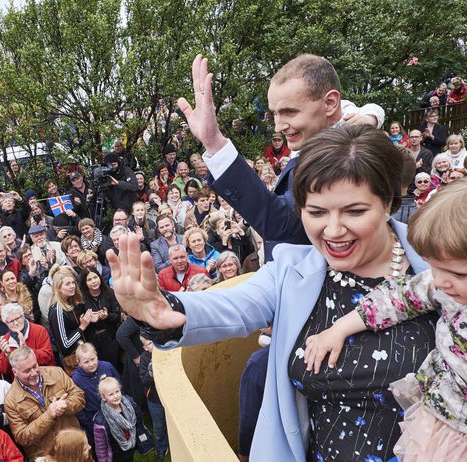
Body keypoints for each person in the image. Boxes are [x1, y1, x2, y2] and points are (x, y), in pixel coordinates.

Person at [108, 125, 437, 461]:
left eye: (354, 211)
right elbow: (232, 305)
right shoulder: (291, 270)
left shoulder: (441, 265)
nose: (334, 230)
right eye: (317, 212)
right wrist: (165, 312)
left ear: (389, 203)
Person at [302, 179, 467, 460]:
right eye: (433, 266)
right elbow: (399, 297)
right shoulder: (442, 282)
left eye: (458, 274)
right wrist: (340, 328)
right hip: (440, 422)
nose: (439, 281)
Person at [176, 54, 384, 262]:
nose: (278, 126)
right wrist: (372, 114)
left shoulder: (343, 157)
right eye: (275, 113)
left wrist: (214, 142)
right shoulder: (323, 131)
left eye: (289, 112)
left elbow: (279, 222)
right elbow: (342, 110)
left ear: (329, 103)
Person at [3, 347, 85, 458]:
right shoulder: (11, 400)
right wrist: (49, 415)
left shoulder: (57, 372)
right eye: (27, 371)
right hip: (47, 456)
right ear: (14, 372)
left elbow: (80, 397)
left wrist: (66, 405)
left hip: (75, 445)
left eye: (35, 366)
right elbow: (22, 437)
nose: (33, 373)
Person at [92, 375, 154, 462]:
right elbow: (101, 446)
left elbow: (139, 424)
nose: (116, 396)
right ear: (103, 397)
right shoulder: (101, 421)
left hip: (130, 446)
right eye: (111, 394)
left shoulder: (130, 406)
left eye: (117, 391)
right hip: (116, 452)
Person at [72, 343, 121, 441]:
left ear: (96, 355)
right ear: (79, 362)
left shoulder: (107, 367)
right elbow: (78, 406)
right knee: (102, 446)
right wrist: (88, 423)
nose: (91, 364)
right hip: (95, 419)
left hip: (115, 412)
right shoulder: (76, 380)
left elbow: (119, 385)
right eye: (86, 362)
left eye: (93, 359)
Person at [0, 302, 55, 376]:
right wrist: (7, 355)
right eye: (11, 321)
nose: (16, 323)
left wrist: (26, 349)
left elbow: (48, 356)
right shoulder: (6, 340)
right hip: (22, 381)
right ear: (6, 323)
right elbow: (4, 370)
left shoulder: (39, 330)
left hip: (44, 374)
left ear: (23, 316)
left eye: (18, 318)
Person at [138, 335, 168, 462]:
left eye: (155, 341)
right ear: (145, 347)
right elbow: (144, 382)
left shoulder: (167, 352)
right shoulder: (145, 359)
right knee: (159, 426)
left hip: (169, 397)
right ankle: (161, 448)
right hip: (155, 400)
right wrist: (151, 373)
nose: (154, 345)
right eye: (150, 343)